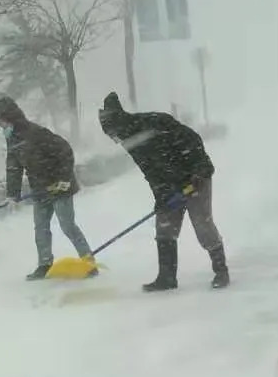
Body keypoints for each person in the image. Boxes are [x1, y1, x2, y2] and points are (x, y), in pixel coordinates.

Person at [97, 91, 229, 291]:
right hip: (171, 186)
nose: (115, 139)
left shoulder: (154, 122)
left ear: (120, 123)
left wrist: (198, 172)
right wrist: (161, 198)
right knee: (164, 228)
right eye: (111, 136)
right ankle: (167, 278)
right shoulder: (130, 142)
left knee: (202, 225)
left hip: (196, 179)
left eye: (114, 133)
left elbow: (191, 139)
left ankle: (221, 271)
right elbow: (151, 173)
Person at [0, 95, 97, 281]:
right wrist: (12, 195)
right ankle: (45, 264)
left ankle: (88, 262)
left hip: (59, 186)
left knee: (68, 226)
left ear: (11, 117)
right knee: (40, 228)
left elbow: (65, 150)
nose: (2, 126)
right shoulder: (12, 140)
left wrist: (64, 178)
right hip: (40, 189)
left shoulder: (36, 133)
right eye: (0, 123)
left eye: (3, 121)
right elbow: (13, 168)